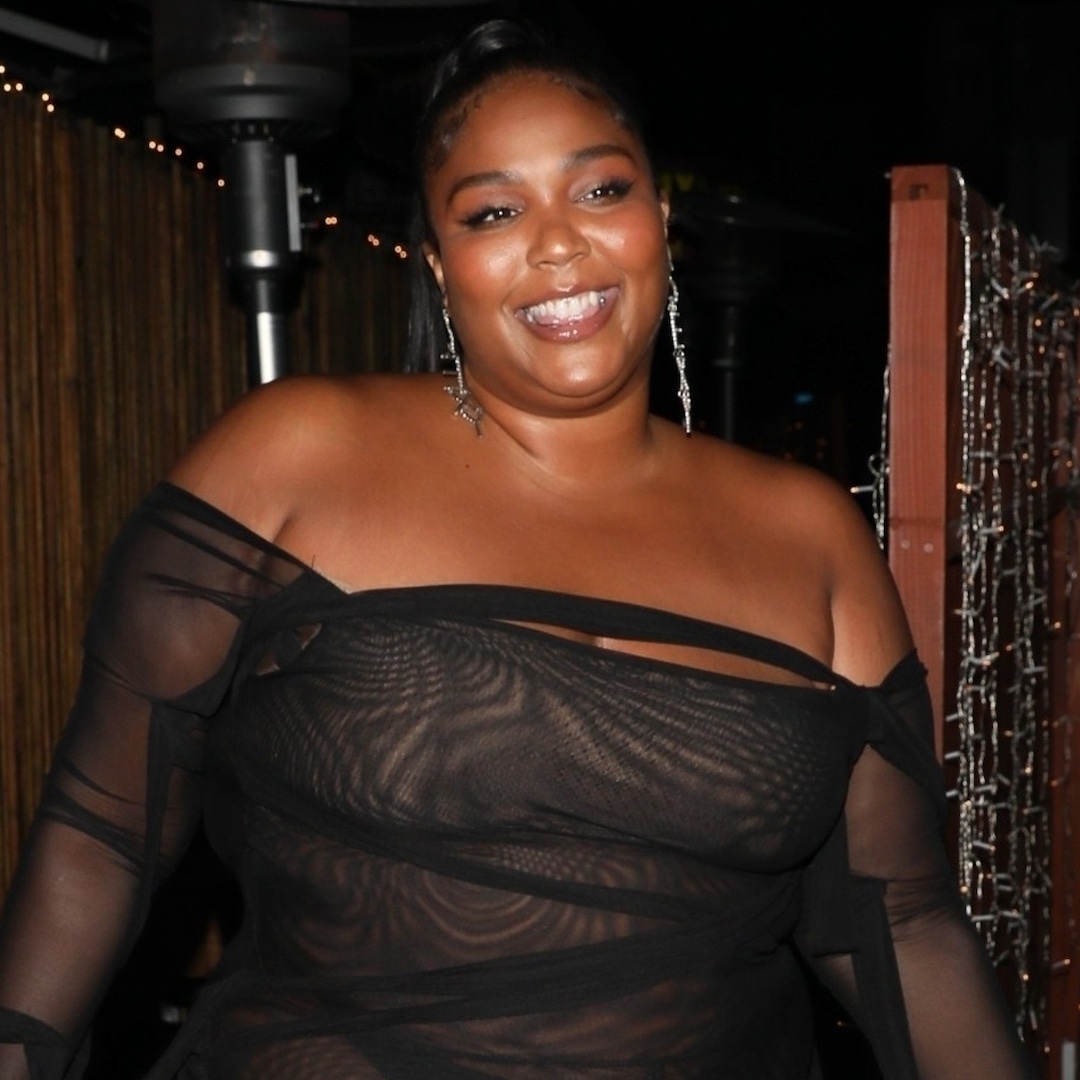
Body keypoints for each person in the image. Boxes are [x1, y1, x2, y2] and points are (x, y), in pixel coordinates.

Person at [0, 18, 1037, 1080]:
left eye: (600, 190)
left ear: (660, 222)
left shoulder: (811, 535)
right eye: (495, 210)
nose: (557, 243)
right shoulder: (297, 456)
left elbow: (902, 921)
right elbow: (103, 831)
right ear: (439, 263)